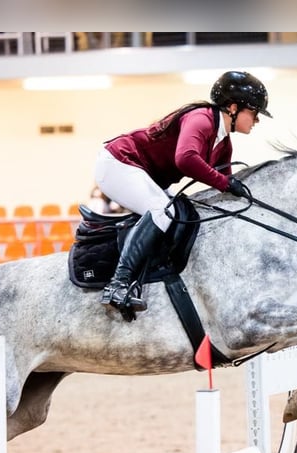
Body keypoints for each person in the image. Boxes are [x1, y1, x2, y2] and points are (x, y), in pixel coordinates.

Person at [94, 70, 271, 318]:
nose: (257, 120)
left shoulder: (224, 143)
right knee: (162, 211)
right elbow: (185, 159)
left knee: (179, 214)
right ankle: (118, 284)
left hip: (144, 173)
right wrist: (226, 183)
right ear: (232, 107)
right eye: (254, 112)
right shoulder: (202, 119)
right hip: (119, 163)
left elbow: (224, 187)